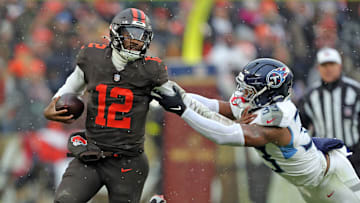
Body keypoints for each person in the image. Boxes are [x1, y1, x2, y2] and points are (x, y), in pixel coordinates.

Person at [152, 58, 360, 203]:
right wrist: (173, 92)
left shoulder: (276, 118)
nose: (242, 94)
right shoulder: (260, 106)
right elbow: (216, 106)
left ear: (269, 92)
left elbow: (226, 136)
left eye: (249, 90)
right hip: (308, 183)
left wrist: (183, 110)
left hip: (330, 180)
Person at [43, 8, 169, 203]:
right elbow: (71, 87)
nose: (136, 41)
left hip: (128, 159)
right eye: (131, 34)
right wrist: (55, 102)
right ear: (115, 32)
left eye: (141, 36)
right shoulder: (93, 58)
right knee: (65, 199)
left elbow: (180, 100)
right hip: (92, 153)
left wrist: (217, 111)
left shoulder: (151, 69)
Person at [299, 47, 360, 177]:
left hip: (354, 156)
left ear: (340, 66)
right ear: (318, 68)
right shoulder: (310, 96)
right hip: (324, 158)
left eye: (332, 64)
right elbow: (300, 126)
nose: (328, 69)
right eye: (324, 65)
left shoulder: (355, 91)